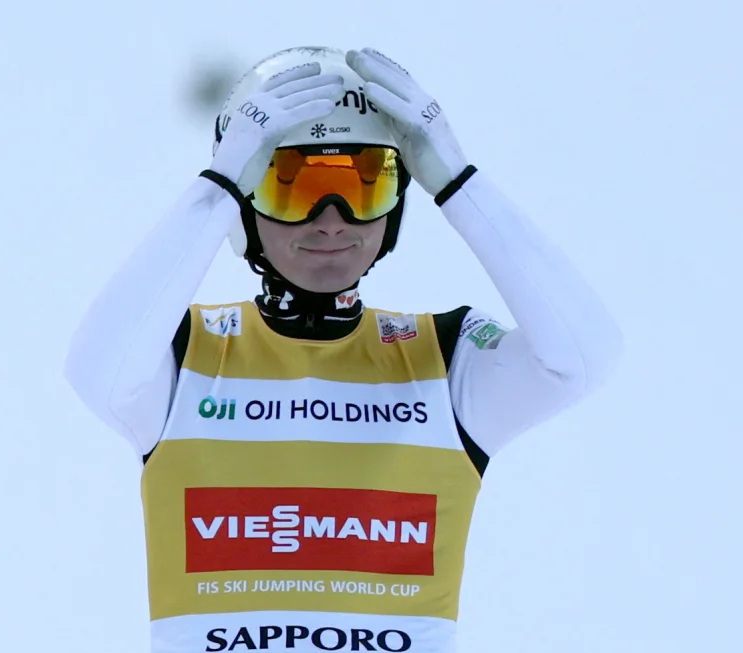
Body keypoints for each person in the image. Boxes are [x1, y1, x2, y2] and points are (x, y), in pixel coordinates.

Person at [64, 45, 624, 653]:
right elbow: (98, 368)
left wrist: (458, 180)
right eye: (292, 187)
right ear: (245, 210)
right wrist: (217, 188)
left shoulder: (443, 356)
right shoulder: (182, 352)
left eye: (364, 185)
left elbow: (580, 358)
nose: (331, 221)